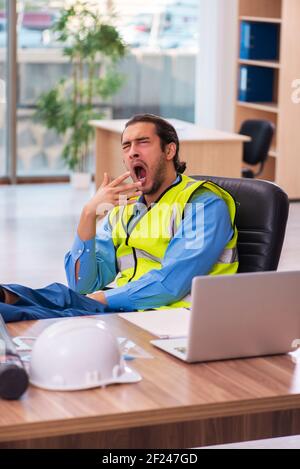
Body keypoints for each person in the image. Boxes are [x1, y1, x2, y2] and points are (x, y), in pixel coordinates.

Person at [0, 114, 238, 322]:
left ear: (169, 150)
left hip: (171, 315)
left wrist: (100, 298)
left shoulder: (202, 204)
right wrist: (88, 215)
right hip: (128, 308)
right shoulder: (127, 208)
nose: (133, 151)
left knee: (46, 314)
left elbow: (170, 284)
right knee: (57, 296)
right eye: (126, 146)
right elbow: (83, 285)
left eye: (143, 142)